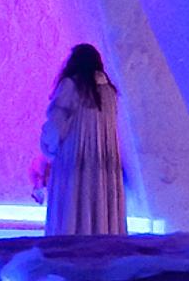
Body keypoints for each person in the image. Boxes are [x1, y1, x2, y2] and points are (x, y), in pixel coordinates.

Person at [41, 42, 128, 236]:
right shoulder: (109, 92)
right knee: (100, 214)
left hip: (75, 162)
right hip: (103, 165)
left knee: (73, 210)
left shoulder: (70, 86)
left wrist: (48, 149)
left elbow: (56, 126)